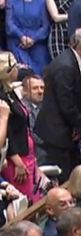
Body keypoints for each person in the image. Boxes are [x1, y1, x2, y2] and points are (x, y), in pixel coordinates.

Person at [36, 28, 81, 181]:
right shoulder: (66, 65)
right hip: (57, 133)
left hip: (68, 131)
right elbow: (66, 103)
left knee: (75, 174)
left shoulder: (74, 61)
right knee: (66, 178)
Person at [0, 53, 48, 203]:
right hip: (17, 161)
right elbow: (7, 132)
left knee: (39, 197)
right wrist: (18, 162)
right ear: (8, 72)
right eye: (16, 67)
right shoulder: (1, 98)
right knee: (30, 202)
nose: (19, 69)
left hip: (28, 155)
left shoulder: (10, 92)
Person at [6, 0, 50, 75]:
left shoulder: (42, 2)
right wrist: (21, 36)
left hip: (38, 43)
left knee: (40, 73)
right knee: (20, 73)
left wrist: (34, 38)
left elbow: (45, 26)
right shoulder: (11, 1)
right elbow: (9, 24)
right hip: (17, 43)